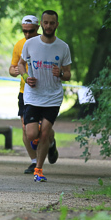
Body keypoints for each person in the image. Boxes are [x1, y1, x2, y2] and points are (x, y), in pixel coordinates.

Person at [18, 10, 71, 182]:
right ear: (41, 24)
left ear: (57, 25)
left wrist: (61, 72)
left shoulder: (63, 47)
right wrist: (26, 78)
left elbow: (68, 73)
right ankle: (51, 142)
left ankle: (39, 170)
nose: (48, 26)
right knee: (31, 133)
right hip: (33, 95)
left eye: (52, 23)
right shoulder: (30, 44)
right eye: (46, 23)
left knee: (45, 132)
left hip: (53, 96)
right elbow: (21, 65)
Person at [9, 15, 43, 174]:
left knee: (43, 129)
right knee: (25, 129)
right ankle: (34, 162)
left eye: (31, 31)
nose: (27, 35)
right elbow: (12, 68)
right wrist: (14, 71)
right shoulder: (19, 45)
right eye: (24, 31)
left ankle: (50, 143)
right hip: (25, 93)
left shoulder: (45, 44)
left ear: (38, 28)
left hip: (44, 92)